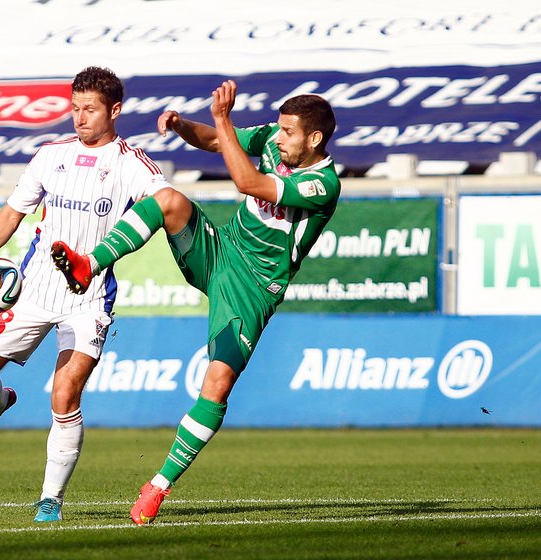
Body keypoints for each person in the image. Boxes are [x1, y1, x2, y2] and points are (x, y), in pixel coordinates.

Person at [51, 80, 340, 525]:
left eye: (288, 132)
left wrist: (223, 118)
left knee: (218, 384)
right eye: (278, 129)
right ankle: (89, 264)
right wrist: (184, 124)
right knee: (167, 200)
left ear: (314, 138)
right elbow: (212, 140)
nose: (278, 137)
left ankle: (158, 486)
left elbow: (246, 181)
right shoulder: (271, 140)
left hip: (252, 289)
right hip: (221, 251)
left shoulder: (323, 184)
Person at [0, 66, 172, 523]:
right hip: (31, 290)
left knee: (65, 393)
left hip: (89, 298)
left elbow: (167, 206)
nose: (79, 117)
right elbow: (12, 214)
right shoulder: (50, 155)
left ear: (115, 110)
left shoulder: (133, 164)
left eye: (89, 109)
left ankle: (50, 499)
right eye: (74, 108)